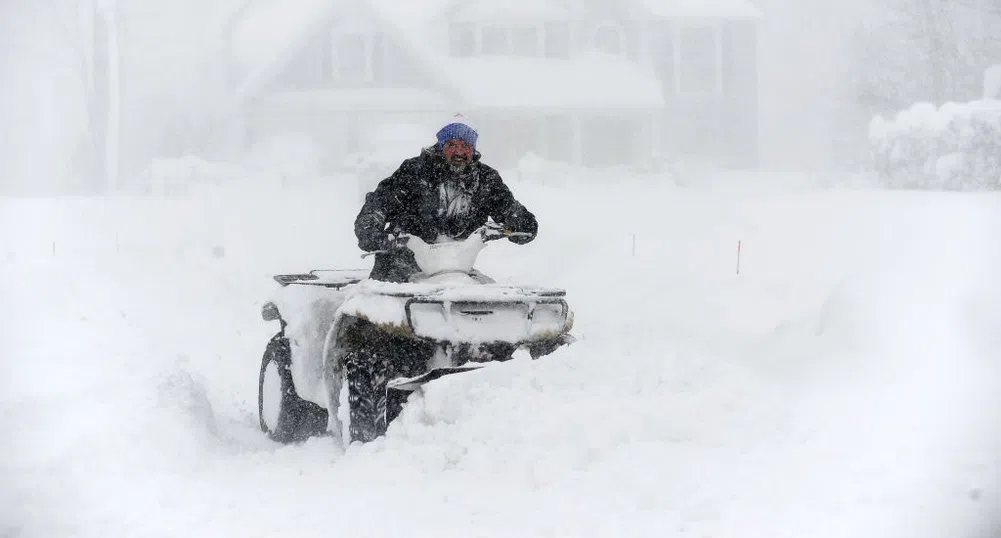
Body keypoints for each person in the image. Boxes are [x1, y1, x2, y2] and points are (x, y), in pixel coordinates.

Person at [354, 117, 538, 282]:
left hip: (457, 267)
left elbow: (506, 206)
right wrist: (371, 230)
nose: (459, 152)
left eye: (465, 146)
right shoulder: (415, 171)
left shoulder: (485, 179)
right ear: (441, 146)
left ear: (473, 149)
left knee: (487, 301)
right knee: (388, 311)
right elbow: (380, 203)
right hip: (402, 266)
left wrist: (520, 223)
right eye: (452, 145)